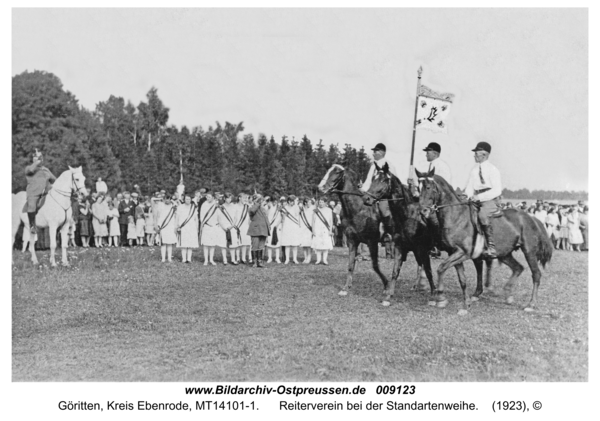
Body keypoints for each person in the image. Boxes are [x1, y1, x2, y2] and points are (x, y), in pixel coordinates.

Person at [463, 141, 502, 259]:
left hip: (490, 199)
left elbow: (497, 190)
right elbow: (470, 186)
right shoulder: (474, 170)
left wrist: (479, 197)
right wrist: (467, 195)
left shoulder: (493, 169)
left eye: (477, 154)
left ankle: (491, 246)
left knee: (482, 215)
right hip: (476, 198)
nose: (474, 156)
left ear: (484, 155)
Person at [360, 143, 398, 240]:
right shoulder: (373, 166)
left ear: (382, 152)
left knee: (383, 211)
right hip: (372, 194)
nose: (373, 154)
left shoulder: (389, 165)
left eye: (375, 151)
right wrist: (363, 190)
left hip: (384, 196)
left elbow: (393, 182)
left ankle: (388, 232)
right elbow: (368, 181)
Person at [24, 150, 56, 234]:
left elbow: (54, 180)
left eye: (40, 157)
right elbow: (30, 170)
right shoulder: (29, 168)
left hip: (46, 193)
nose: (39, 159)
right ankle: (32, 225)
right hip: (33, 193)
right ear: (33, 159)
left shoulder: (46, 169)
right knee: (31, 205)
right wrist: (36, 163)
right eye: (37, 157)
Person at [199, 192, 228, 265]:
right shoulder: (204, 204)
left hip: (214, 226)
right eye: (207, 197)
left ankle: (211, 259)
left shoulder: (216, 204)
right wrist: (204, 223)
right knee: (206, 244)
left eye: (209, 197)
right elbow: (202, 215)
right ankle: (206, 260)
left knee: (212, 244)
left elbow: (219, 215)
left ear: (213, 197)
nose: (207, 198)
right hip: (206, 225)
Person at [247, 193, 270, 268]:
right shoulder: (251, 206)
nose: (261, 201)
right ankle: (254, 262)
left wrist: (268, 227)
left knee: (261, 246)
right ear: (254, 200)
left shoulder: (263, 207)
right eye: (259, 199)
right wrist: (257, 203)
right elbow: (252, 211)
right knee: (255, 246)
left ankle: (259, 262)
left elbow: (266, 218)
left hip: (263, 229)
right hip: (255, 229)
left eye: (261, 199)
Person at [176, 194, 199, 263]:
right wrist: (177, 226)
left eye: (189, 199)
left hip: (191, 227)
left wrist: (197, 227)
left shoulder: (193, 207)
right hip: (183, 227)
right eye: (186, 199)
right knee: (183, 243)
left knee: (190, 243)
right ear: (184, 200)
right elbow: (177, 217)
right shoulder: (180, 207)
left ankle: (189, 258)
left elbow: (196, 218)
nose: (188, 200)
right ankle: (184, 258)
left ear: (191, 200)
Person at [154, 194, 178, 262]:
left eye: (168, 199)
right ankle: (163, 258)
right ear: (163, 199)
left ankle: (169, 258)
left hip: (170, 226)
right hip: (163, 226)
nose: (167, 200)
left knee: (169, 243)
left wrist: (173, 201)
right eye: (165, 199)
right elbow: (158, 216)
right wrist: (158, 225)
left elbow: (177, 206)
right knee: (163, 243)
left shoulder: (173, 206)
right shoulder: (161, 206)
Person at [311, 198, 334, 265]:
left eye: (322, 202)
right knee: (318, 245)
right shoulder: (315, 210)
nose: (321, 203)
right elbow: (313, 221)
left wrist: (330, 230)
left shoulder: (329, 210)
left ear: (325, 203)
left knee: (325, 245)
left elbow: (331, 221)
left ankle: (324, 260)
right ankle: (318, 260)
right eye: (320, 202)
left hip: (326, 229)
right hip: (317, 228)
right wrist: (313, 230)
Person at [280, 195, 301, 264]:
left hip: (294, 227)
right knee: (287, 244)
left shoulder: (296, 207)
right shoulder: (284, 208)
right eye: (291, 201)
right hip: (287, 227)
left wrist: (296, 205)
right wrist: (282, 227)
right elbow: (283, 218)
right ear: (288, 201)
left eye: (293, 201)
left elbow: (297, 214)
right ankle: (287, 259)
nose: (292, 203)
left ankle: (295, 259)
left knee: (294, 244)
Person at [221, 192, 241, 265]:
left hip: (232, 227)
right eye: (227, 198)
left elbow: (236, 217)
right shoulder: (221, 207)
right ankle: (224, 259)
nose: (229, 200)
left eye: (230, 198)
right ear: (224, 198)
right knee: (223, 244)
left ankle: (233, 259)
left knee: (233, 244)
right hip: (223, 227)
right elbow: (219, 218)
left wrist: (232, 225)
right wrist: (223, 227)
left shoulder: (234, 206)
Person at [235, 193, 253, 264]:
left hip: (246, 225)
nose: (245, 200)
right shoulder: (235, 206)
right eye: (244, 198)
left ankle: (243, 258)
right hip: (237, 225)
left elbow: (250, 217)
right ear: (239, 198)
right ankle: (237, 258)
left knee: (245, 243)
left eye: (246, 198)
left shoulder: (248, 206)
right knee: (237, 243)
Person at [265, 197, 283, 264]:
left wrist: (277, 225)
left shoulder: (279, 207)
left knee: (277, 243)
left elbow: (281, 217)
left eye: (275, 201)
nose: (274, 202)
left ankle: (277, 258)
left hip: (277, 227)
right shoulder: (268, 207)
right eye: (273, 201)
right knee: (269, 243)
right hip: (270, 226)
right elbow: (266, 216)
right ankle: (269, 258)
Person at [298, 197, 313, 264]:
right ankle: (305, 257)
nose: (310, 203)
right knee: (304, 244)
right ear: (305, 203)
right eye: (308, 202)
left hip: (310, 228)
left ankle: (309, 258)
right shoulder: (302, 210)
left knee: (309, 244)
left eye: (310, 202)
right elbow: (299, 218)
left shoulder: (312, 209)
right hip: (303, 228)